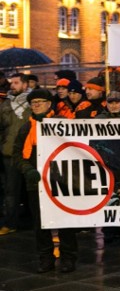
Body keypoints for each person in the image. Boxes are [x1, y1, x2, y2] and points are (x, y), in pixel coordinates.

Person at [14, 89, 79, 272]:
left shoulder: (61, 123)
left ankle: (68, 258)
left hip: (60, 180)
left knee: (65, 221)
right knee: (40, 223)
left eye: (40, 102)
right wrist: (27, 170)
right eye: (33, 103)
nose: (36, 105)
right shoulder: (26, 128)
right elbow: (17, 154)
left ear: (49, 104)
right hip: (36, 183)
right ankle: (46, 258)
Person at [0, 73, 31, 236]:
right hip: (10, 153)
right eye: (12, 83)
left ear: (25, 85)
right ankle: (11, 223)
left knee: (31, 190)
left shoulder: (34, 103)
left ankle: (32, 221)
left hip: (30, 154)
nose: (12, 86)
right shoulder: (5, 105)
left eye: (17, 83)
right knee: (11, 190)